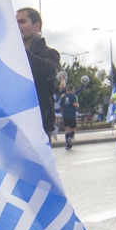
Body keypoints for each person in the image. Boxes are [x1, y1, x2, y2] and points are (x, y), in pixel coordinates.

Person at [16, 9, 61, 141]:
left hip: (39, 124)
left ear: (37, 26)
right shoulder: (11, 55)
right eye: (15, 23)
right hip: (14, 122)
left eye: (22, 22)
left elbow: (47, 71)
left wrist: (18, 48)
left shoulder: (50, 54)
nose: (17, 26)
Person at [58, 78, 79, 150]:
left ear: (67, 90)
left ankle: (67, 144)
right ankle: (70, 138)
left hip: (65, 115)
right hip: (72, 114)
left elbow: (60, 106)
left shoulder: (63, 97)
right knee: (73, 128)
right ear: (72, 90)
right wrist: (77, 105)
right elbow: (75, 104)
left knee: (67, 129)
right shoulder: (74, 96)